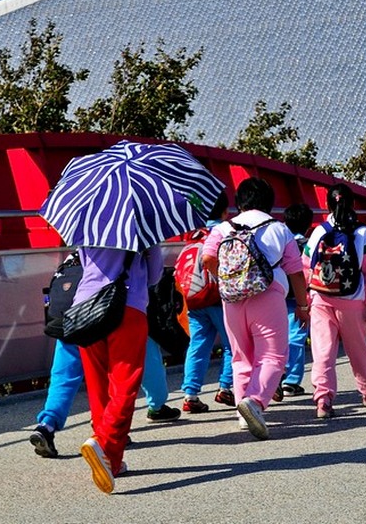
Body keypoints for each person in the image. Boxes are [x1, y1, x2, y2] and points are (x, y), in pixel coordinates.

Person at [201, 177, 311, 440]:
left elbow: (207, 259)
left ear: (239, 202)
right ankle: (255, 401)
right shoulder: (279, 229)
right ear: (269, 202)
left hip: (232, 300)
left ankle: (243, 414)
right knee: (273, 356)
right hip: (268, 295)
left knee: (241, 356)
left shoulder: (223, 228)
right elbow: (296, 273)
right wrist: (303, 305)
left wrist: (229, 279)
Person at [75, 245, 163, 494]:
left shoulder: (88, 223)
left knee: (97, 383)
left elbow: (85, 264)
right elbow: (154, 276)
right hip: (127, 305)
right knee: (125, 385)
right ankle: (104, 445)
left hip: (86, 305)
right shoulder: (144, 225)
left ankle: (111, 461)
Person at [305, 184, 366, 418]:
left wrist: (309, 297)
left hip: (321, 297)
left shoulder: (320, 231)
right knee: (357, 349)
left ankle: (323, 398)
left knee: (323, 351)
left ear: (328, 205)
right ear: (352, 204)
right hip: (353, 299)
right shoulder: (363, 232)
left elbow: (305, 265)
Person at [29, 335, 178, 459]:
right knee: (118, 371)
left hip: (66, 317)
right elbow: (150, 369)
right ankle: (149, 411)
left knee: (63, 377)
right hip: (106, 316)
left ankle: (47, 425)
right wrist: (157, 402)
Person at [180, 192, 236, 413]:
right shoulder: (225, 232)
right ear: (225, 211)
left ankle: (190, 394)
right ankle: (225, 387)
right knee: (233, 345)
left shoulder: (194, 235)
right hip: (218, 297)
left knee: (198, 345)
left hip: (194, 298)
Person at [278, 202, 314, 397]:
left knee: (278, 336)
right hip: (301, 296)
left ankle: (277, 374)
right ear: (308, 225)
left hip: (279, 295)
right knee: (298, 337)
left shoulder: (282, 243)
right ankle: (291, 380)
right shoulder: (308, 245)